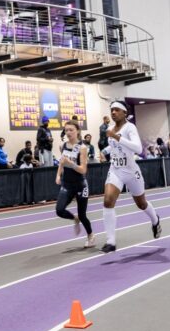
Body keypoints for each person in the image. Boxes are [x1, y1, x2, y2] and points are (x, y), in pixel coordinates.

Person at [99, 101, 161, 253]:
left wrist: (117, 137)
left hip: (131, 172)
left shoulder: (130, 127)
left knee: (141, 203)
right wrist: (104, 152)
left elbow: (138, 148)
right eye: (111, 110)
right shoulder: (110, 128)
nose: (113, 112)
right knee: (108, 201)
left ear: (124, 113)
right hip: (115, 170)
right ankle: (111, 241)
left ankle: (155, 220)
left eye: (117, 110)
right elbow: (113, 145)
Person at [54, 120, 94, 248]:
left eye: (71, 130)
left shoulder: (82, 148)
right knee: (59, 210)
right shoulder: (62, 146)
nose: (69, 132)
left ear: (77, 131)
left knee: (83, 214)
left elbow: (83, 170)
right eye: (66, 130)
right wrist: (58, 174)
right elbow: (62, 161)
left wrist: (71, 164)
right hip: (67, 183)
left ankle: (90, 235)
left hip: (80, 184)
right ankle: (74, 218)